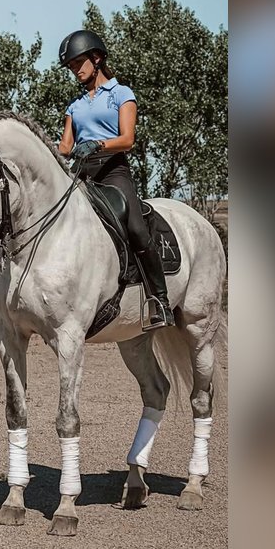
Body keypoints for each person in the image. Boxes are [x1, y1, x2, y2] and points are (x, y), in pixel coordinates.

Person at [56, 29, 173, 328]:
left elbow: (128, 139)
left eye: (78, 63)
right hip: (82, 173)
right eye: (71, 66)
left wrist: (98, 144)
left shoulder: (121, 94)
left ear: (97, 58)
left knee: (135, 227)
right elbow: (65, 147)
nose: (75, 70)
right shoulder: (75, 105)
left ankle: (159, 300)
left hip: (113, 170)